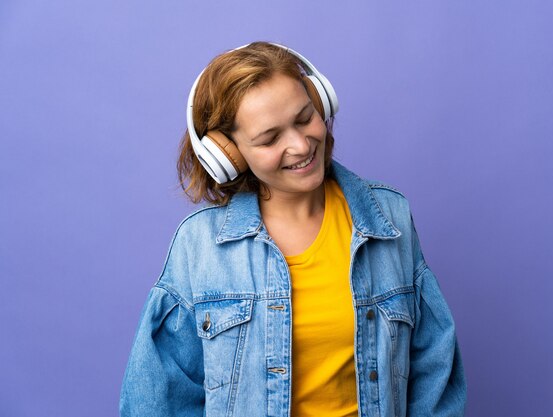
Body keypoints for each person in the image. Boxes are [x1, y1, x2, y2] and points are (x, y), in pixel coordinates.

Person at [120, 41, 466, 417]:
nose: (301, 145)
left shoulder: (390, 216)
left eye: (304, 119)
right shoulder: (199, 245)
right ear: (228, 155)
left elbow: (433, 367)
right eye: (270, 139)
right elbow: (157, 400)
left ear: (321, 103)